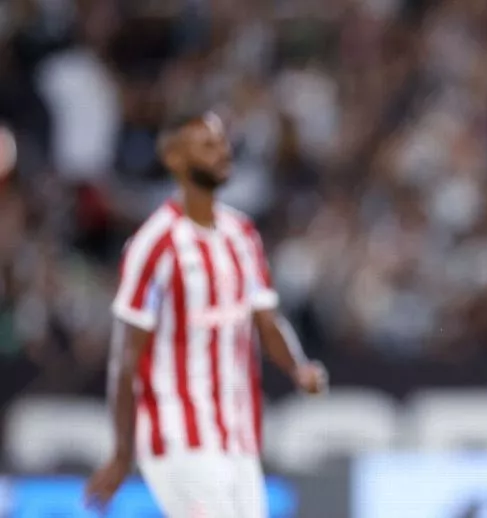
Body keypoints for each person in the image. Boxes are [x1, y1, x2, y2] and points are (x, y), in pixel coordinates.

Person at [84, 112, 328, 517]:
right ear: (175, 158)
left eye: (223, 142)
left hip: (237, 434)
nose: (223, 152)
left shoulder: (242, 234)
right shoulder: (155, 244)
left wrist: (298, 368)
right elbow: (125, 359)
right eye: (208, 145)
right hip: (178, 434)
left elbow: (266, 322)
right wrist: (122, 452)